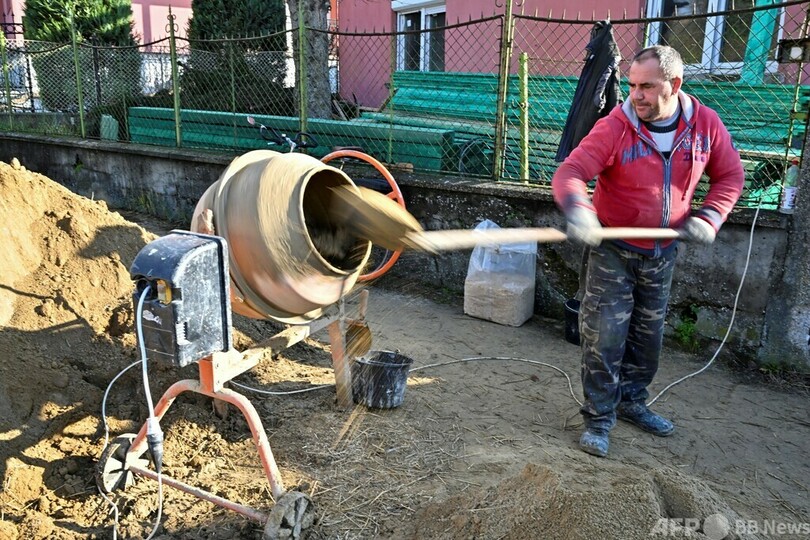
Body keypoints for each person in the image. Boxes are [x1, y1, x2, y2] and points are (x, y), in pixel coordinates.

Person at [551, 45, 744, 458]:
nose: (635, 95)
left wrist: (710, 217)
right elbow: (571, 172)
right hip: (612, 251)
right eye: (632, 85)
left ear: (674, 85)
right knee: (604, 338)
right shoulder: (615, 126)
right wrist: (579, 210)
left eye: (646, 86)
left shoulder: (705, 125)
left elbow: (729, 175)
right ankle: (599, 420)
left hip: (662, 253)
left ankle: (633, 402)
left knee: (648, 338)